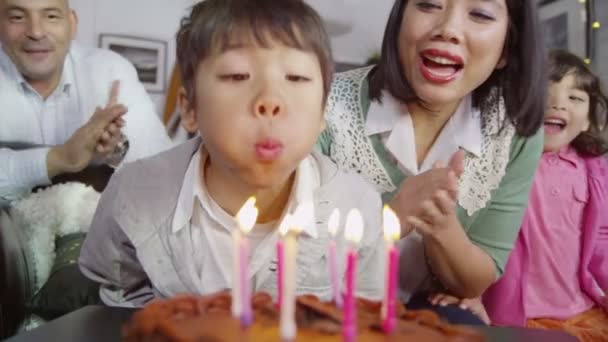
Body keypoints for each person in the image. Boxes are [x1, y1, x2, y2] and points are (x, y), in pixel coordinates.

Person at [79, 0, 385, 307]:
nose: (270, 100)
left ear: (322, 112)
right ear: (189, 108)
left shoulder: (356, 208)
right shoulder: (132, 193)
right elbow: (113, 295)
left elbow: (364, 317)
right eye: (238, 76)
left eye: (296, 78)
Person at [317, 0, 546, 323]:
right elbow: (288, 259)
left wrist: (441, 226)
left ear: (507, 48)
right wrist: (393, 216)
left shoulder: (514, 132)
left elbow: (474, 281)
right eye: (428, 4)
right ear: (399, 21)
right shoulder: (324, 104)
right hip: (325, 306)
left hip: (424, 312)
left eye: (480, 14)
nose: (448, 29)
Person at [480, 50, 608, 342]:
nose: (557, 103)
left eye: (574, 98)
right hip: (515, 316)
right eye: (544, 90)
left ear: (588, 120)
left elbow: (602, 239)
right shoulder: (502, 163)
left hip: (580, 309)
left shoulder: (594, 171)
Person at [0, 0, 172, 206]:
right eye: (17, 17)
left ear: (72, 24)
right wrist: (61, 158)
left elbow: (163, 173)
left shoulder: (111, 72)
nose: (36, 32)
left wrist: (114, 152)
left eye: (51, 16)